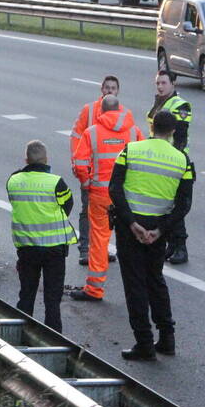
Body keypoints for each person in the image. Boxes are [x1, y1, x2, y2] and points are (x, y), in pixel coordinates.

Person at [109, 110, 194, 361]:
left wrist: (132, 223)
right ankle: (167, 338)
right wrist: (161, 230)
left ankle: (144, 343)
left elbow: (115, 188)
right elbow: (184, 204)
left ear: (152, 126)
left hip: (130, 228)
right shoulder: (183, 160)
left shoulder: (130, 150)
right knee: (155, 280)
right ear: (172, 131)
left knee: (135, 284)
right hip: (158, 230)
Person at [67, 95, 144, 302]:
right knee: (130, 239)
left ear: (100, 112)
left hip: (101, 195)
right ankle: (138, 287)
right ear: (120, 110)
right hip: (127, 197)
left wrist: (86, 183)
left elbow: (80, 162)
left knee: (100, 241)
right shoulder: (134, 132)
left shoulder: (92, 133)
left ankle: (95, 289)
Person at [7, 140, 75, 332]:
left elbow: (14, 202)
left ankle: (20, 334)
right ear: (46, 159)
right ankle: (53, 339)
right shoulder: (56, 182)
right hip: (54, 249)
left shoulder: (14, 181)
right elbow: (67, 206)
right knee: (52, 299)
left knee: (26, 294)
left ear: (26, 160)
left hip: (27, 248)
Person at [70, 75, 121, 266]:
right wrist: (78, 163)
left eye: (113, 88)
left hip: (112, 175)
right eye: (107, 87)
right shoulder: (90, 110)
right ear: (101, 90)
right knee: (87, 211)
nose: (109, 90)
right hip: (91, 173)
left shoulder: (121, 113)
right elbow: (76, 136)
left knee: (109, 214)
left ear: (117, 91)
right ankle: (85, 249)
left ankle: (103, 247)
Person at [147, 70, 192, 265]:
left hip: (175, 160)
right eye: (157, 83)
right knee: (165, 202)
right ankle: (171, 245)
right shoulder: (159, 102)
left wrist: (175, 160)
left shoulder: (180, 105)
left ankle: (180, 247)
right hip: (158, 158)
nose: (160, 86)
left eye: (164, 83)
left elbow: (180, 137)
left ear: (173, 83)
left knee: (176, 203)